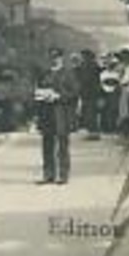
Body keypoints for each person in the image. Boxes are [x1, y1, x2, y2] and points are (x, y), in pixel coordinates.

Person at [33, 48, 77, 184]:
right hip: (46, 114)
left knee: (63, 146)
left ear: (61, 58)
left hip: (61, 114)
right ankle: (48, 175)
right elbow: (38, 90)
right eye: (52, 57)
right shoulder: (44, 74)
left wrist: (59, 96)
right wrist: (39, 96)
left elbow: (74, 93)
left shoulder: (68, 74)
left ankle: (63, 175)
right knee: (47, 145)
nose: (54, 60)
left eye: (56, 57)